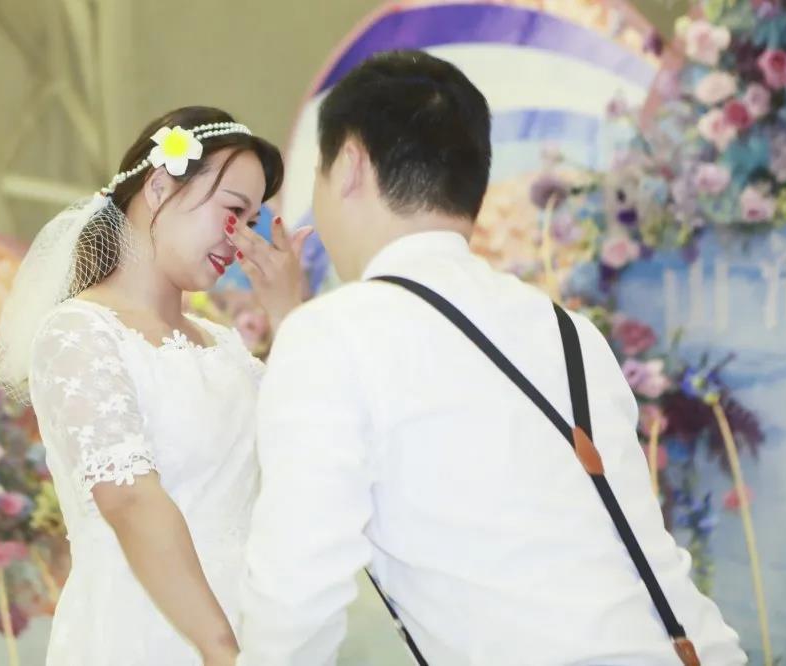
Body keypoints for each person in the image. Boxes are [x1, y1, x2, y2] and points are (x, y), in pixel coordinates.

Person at [237, 50, 745, 665]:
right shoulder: (569, 332)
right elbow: (639, 545)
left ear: (349, 163)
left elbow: (295, 599)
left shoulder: (331, 334)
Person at [0, 106, 309, 666]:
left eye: (253, 221)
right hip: (147, 632)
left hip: (254, 624)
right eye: (233, 210)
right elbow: (130, 499)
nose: (240, 237)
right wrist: (219, 648)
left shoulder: (224, 346)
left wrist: (288, 313)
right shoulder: (79, 332)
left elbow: (306, 451)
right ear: (159, 186)